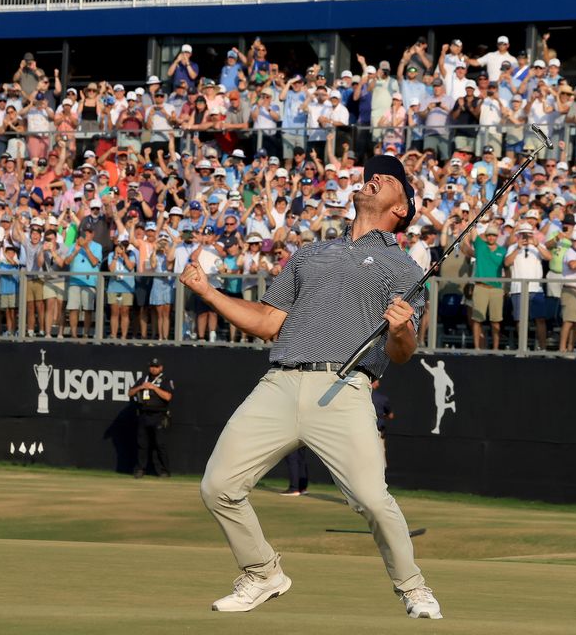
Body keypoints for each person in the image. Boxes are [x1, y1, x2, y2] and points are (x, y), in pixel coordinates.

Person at [182, 154, 441, 619]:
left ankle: (413, 588)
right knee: (217, 485)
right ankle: (262, 572)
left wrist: (402, 328)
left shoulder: (402, 267)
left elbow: (402, 352)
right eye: (371, 174)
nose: (373, 177)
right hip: (279, 383)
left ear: (401, 208)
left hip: (344, 388)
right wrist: (208, 292)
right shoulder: (310, 253)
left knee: (372, 501)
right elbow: (266, 323)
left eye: (388, 179)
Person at [128, 356, 173, 478]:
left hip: (159, 415)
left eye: (156, 367)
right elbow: (130, 393)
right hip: (143, 414)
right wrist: (141, 387)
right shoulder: (144, 379)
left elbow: (168, 397)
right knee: (142, 444)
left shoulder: (165, 380)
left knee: (160, 444)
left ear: (161, 368)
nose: (153, 369)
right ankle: (140, 469)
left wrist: (154, 388)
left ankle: (164, 471)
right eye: (152, 366)